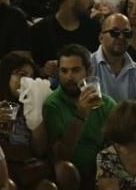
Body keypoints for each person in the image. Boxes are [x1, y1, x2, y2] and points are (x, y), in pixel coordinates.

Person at [44, 44, 117, 186]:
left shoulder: (106, 103)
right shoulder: (52, 104)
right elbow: (61, 156)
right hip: (72, 174)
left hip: (106, 171)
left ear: (89, 71)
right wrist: (81, 114)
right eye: (64, 71)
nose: (69, 77)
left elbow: (121, 139)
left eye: (75, 70)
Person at [30, 0, 99, 70]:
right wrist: (44, 70)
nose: (93, 2)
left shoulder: (94, 28)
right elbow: (33, 68)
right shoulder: (40, 31)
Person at [92, 13, 136, 103]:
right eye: (115, 32)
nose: (121, 37)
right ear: (101, 37)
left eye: (127, 33)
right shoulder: (87, 65)